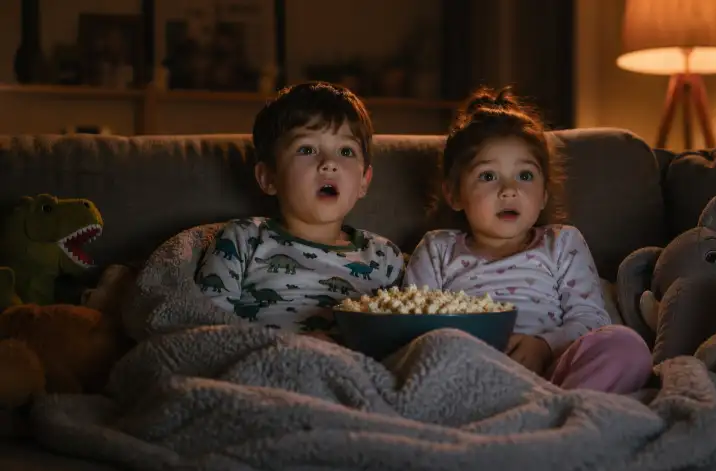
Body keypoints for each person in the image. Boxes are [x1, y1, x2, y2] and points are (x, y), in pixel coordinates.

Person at [402, 86, 651, 393]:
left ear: (544, 193)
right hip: (469, 374)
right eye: (488, 176)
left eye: (525, 176)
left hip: (554, 374)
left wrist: (544, 346)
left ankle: (558, 413)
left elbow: (589, 319)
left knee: (625, 345)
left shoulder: (561, 243)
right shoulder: (437, 249)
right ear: (454, 194)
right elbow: (413, 326)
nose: (509, 190)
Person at [196, 82, 404, 341]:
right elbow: (205, 330)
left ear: (364, 180)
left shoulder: (385, 257)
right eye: (307, 149)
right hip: (267, 363)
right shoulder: (242, 240)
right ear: (268, 177)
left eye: (345, 151)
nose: (329, 164)